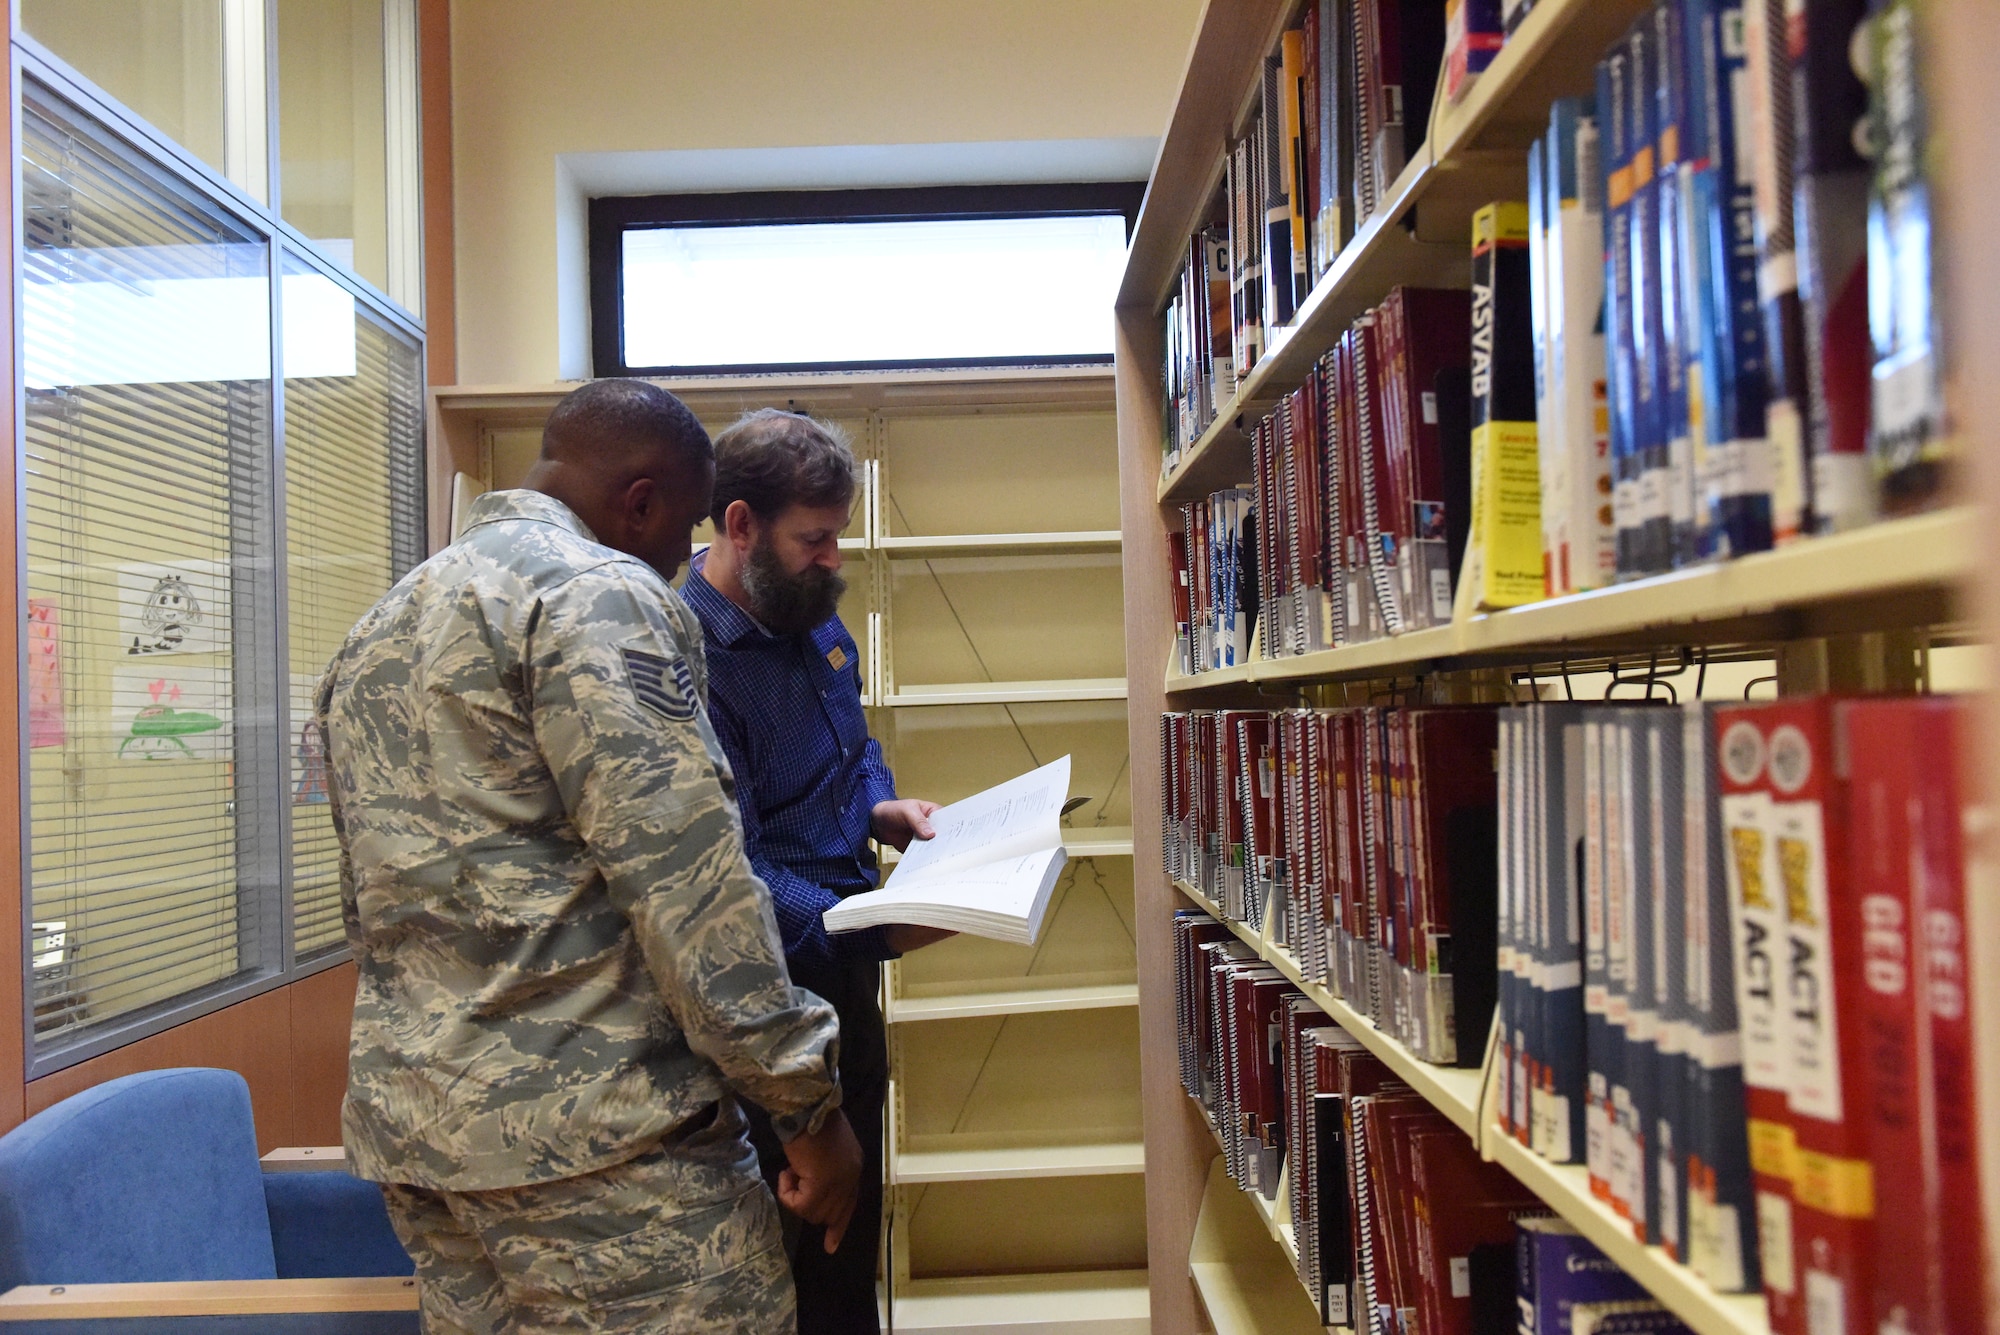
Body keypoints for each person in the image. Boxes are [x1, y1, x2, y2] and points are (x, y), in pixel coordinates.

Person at [318, 379, 863, 1335]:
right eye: (683, 523)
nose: (683, 556)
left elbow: (366, 906)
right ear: (640, 502)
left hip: (428, 1147)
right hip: (602, 1153)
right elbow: (693, 888)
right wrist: (806, 1105)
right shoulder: (598, 594)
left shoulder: (383, 623)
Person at [681, 409, 949, 1335]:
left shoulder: (815, 623)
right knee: (786, 1262)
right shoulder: (689, 661)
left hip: (847, 981)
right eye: (815, 538)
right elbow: (730, 870)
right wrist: (866, 924)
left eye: (839, 534)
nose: (833, 558)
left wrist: (886, 807)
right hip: (764, 1004)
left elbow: (853, 751)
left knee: (848, 1257)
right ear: (740, 522)